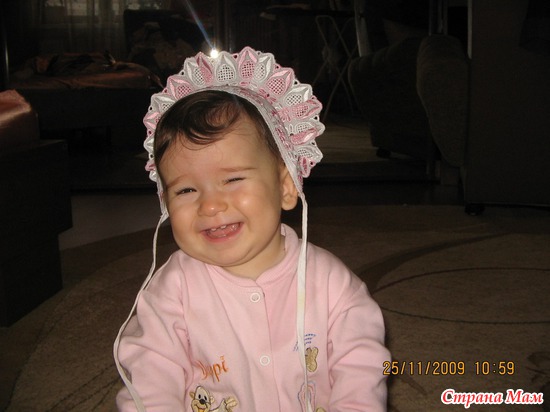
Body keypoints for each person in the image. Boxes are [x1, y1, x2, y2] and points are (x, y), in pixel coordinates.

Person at [113, 46, 390, 412]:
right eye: (186, 190)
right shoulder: (172, 291)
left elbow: (362, 369)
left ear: (287, 186)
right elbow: (150, 376)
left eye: (232, 180)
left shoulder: (331, 284)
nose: (210, 205)